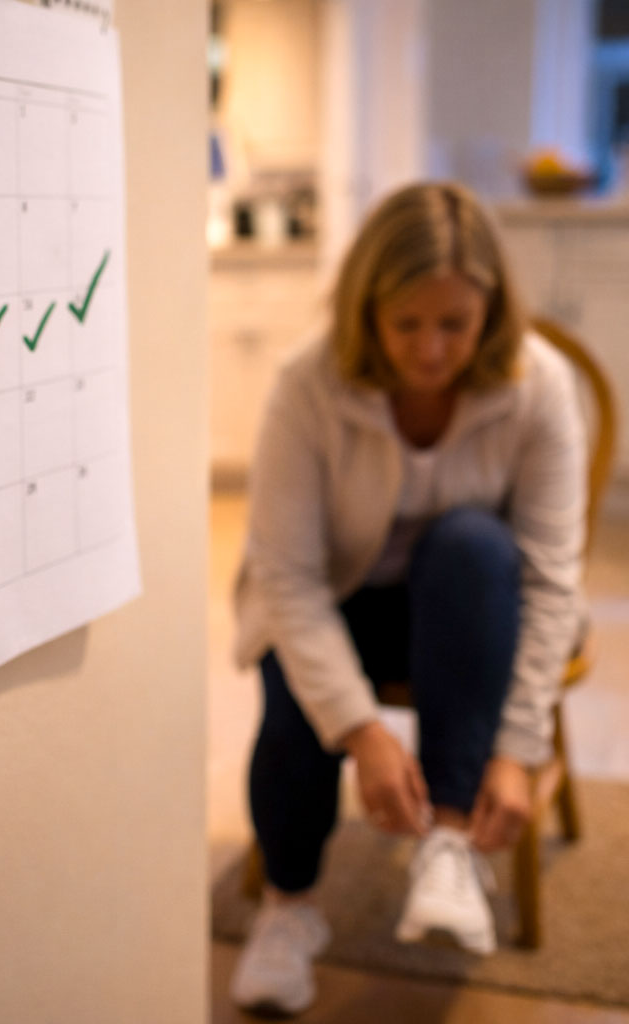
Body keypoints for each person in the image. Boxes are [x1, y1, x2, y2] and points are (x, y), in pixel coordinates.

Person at [229, 181, 587, 1016]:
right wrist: (360, 728)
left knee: (471, 546)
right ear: (367, 312)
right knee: (291, 695)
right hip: (335, 597)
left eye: (455, 325)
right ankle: (289, 910)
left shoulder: (541, 385)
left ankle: (451, 843)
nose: (431, 351)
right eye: (407, 325)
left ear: (491, 312)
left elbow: (547, 579)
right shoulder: (306, 384)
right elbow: (286, 577)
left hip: (471, 608)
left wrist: (516, 750)